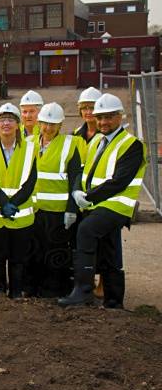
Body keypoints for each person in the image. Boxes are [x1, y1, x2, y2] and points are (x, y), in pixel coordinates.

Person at [59, 94, 146, 309]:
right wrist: (78, 190)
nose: (103, 122)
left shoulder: (132, 145)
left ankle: (83, 291)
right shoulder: (97, 140)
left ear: (120, 117)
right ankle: (114, 301)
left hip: (116, 205)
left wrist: (87, 197)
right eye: (100, 118)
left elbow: (119, 181)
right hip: (98, 204)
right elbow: (84, 169)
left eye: (108, 117)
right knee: (110, 250)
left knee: (86, 230)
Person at [0, 103, 37, 299]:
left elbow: (31, 181)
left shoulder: (30, 148)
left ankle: (15, 292)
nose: (6, 123)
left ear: (17, 124)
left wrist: (14, 203)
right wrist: (4, 203)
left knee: (17, 258)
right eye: (2, 120)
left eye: (10, 119)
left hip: (20, 213)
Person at [26, 102, 82, 297]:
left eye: (53, 124)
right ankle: (33, 288)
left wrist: (71, 209)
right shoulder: (29, 142)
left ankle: (55, 289)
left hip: (58, 212)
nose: (48, 128)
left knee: (56, 253)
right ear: (39, 122)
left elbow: (76, 179)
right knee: (34, 251)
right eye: (45, 124)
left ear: (61, 125)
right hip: (34, 210)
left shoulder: (70, 144)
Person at [73, 86, 102, 162]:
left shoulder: (107, 136)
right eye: (84, 108)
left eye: (92, 108)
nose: (88, 112)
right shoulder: (74, 135)